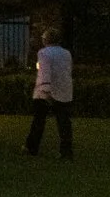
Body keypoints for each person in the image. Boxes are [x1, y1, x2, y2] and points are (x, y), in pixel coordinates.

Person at [27, 27, 75, 159]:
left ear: (46, 39)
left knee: (39, 120)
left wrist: (45, 89)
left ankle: (32, 147)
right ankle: (66, 151)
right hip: (64, 91)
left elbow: (45, 72)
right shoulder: (66, 53)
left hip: (45, 92)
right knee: (64, 122)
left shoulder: (44, 53)